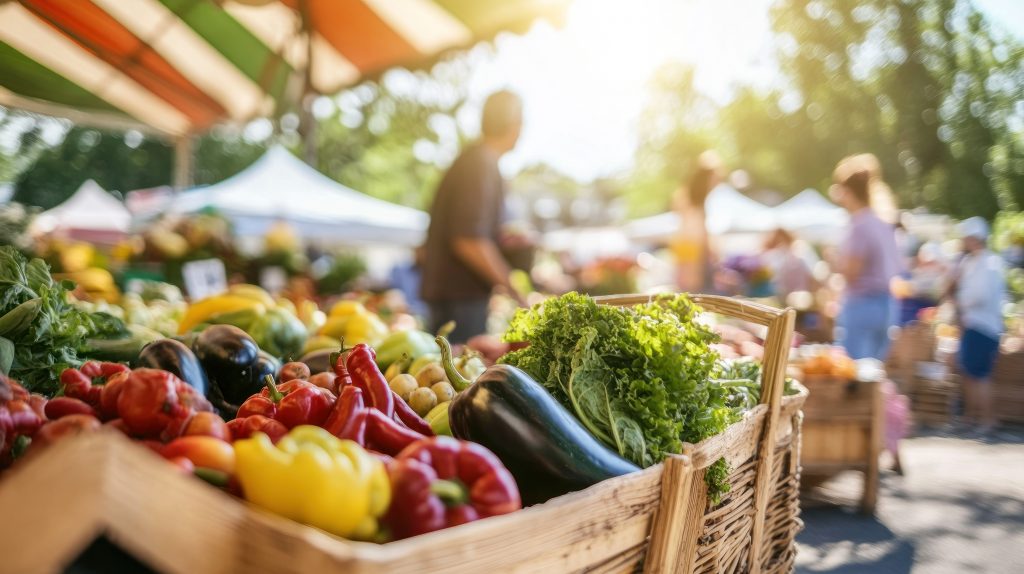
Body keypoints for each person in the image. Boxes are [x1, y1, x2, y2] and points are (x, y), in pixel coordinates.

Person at [420, 90, 525, 343]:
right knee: (460, 376)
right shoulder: (480, 164)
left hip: (455, 296)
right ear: (514, 124)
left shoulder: (474, 160)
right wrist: (513, 290)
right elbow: (468, 240)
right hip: (460, 301)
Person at [830, 157, 902, 360]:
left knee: (853, 374)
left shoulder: (859, 225)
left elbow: (851, 272)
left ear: (848, 192)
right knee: (873, 373)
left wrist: (835, 262)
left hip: (862, 306)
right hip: (887, 305)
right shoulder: (882, 223)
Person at [950, 216, 1006, 433]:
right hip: (973, 324)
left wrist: (960, 301)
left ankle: (987, 420)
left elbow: (979, 295)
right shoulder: (971, 261)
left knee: (980, 374)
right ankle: (971, 417)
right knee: (969, 372)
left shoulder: (989, 263)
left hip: (984, 326)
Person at [671, 151, 722, 292]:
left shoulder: (694, 202)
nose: (717, 182)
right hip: (692, 256)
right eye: (715, 178)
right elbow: (692, 237)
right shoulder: (692, 205)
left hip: (695, 255)